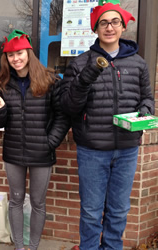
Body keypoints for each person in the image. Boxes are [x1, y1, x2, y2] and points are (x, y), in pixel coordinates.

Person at [60, 1, 155, 249]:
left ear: (123, 27)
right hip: (92, 150)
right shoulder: (80, 63)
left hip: (127, 148)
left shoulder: (138, 64)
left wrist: (144, 112)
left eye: (114, 22)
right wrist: (88, 75)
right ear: (96, 29)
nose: (109, 27)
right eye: (103, 22)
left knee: (119, 210)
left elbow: (147, 98)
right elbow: (69, 106)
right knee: (91, 212)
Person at [0, 29, 70, 250]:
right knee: (15, 200)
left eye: (20, 53)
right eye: (11, 55)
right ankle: (19, 247)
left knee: (38, 203)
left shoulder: (49, 80)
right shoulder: (3, 84)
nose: (16, 59)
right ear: (6, 58)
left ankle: (33, 247)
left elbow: (62, 117)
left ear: (29, 53)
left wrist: (50, 142)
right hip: (13, 152)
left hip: (41, 153)